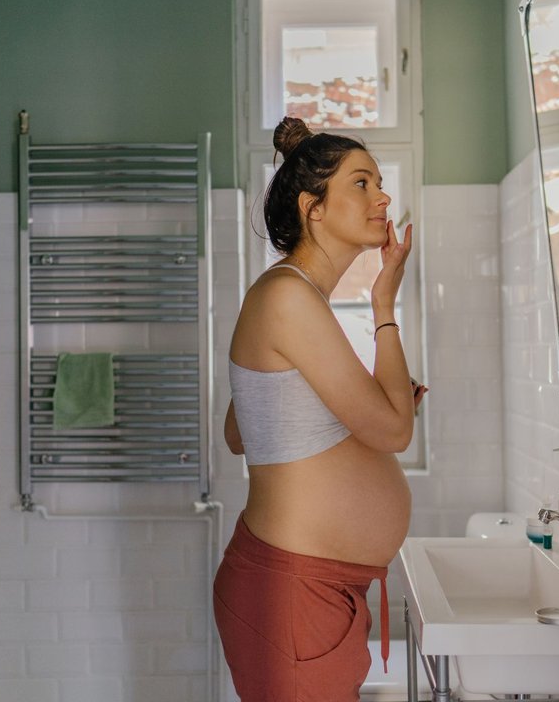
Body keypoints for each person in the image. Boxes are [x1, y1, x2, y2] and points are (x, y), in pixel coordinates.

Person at [213, 117, 427, 701]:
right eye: (362, 182)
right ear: (313, 206)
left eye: (380, 181)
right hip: (293, 587)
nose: (382, 196)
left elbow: (239, 429)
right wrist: (385, 302)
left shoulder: (293, 296)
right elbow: (393, 432)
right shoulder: (287, 295)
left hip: (310, 585)